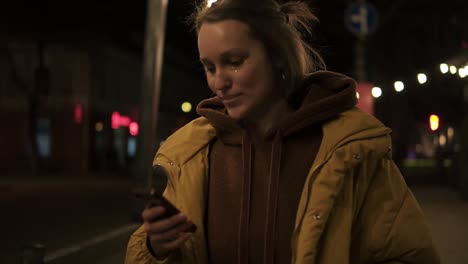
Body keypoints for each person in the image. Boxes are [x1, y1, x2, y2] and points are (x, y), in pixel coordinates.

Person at [126, 0, 440, 263]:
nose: (219, 81)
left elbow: (410, 254)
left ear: (277, 56)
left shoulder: (349, 151)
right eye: (210, 68)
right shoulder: (192, 156)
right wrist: (156, 248)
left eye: (234, 62)